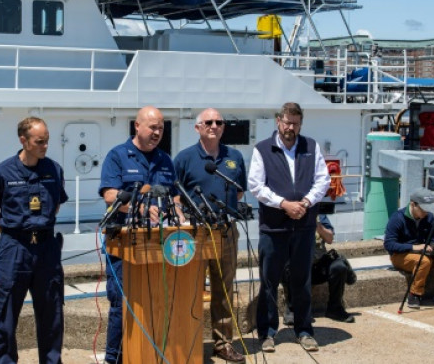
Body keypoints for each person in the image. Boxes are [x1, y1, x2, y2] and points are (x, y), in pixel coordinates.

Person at [0, 117, 68, 364]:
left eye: (47, 141)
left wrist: (38, 231)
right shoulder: (3, 171)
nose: (45, 146)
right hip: (15, 248)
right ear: (24, 140)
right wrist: (16, 235)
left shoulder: (54, 170)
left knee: (52, 315)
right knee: (6, 315)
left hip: (46, 248)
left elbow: (55, 207)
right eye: (39, 141)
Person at [248, 102, 329, 353]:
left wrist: (304, 202)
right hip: (274, 227)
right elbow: (256, 186)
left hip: (303, 226)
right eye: (286, 122)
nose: (290, 127)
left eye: (295, 123)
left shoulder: (311, 147)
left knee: (301, 280)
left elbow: (323, 180)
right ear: (278, 121)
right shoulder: (262, 149)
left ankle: (304, 330)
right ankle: (267, 332)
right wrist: (284, 204)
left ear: (300, 123)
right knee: (269, 281)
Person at [98, 106, 177, 364]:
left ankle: (148, 355)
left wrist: (178, 210)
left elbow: (174, 195)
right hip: (124, 244)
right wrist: (139, 205)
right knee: (121, 304)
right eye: (152, 127)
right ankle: (115, 358)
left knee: (158, 301)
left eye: (161, 128)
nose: (157, 132)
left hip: (159, 244)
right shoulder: (118, 156)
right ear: (137, 126)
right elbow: (110, 195)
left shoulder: (166, 160)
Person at [173, 108, 246, 363]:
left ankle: (223, 343)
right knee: (190, 289)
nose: (214, 126)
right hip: (196, 233)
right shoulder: (184, 158)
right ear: (198, 128)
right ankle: (189, 342)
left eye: (219, 122)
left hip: (225, 231)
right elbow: (176, 195)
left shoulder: (234, 157)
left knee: (223, 290)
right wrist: (182, 220)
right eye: (208, 122)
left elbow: (238, 193)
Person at [384, 189, 434, 309]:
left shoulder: (429, 217)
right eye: (423, 208)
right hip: (400, 255)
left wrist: (433, 245)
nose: (426, 212)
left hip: (424, 253)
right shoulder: (397, 218)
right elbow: (389, 244)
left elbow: (432, 237)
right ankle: (415, 294)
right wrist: (414, 247)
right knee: (423, 261)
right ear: (413, 204)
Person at [281, 214, 357, 325]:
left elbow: (330, 239)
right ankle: (292, 310)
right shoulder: (289, 214)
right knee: (292, 265)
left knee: (339, 267)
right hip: (297, 267)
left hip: (316, 267)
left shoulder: (318, 215)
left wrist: (316, 225)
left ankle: (335, 308)